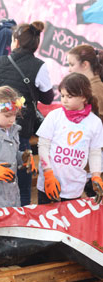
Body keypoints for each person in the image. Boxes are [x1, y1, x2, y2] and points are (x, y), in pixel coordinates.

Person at [0, 21, 54, 206]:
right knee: (23, 181)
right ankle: (24, 215)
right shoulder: (38, 66)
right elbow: (48, 98)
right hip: (21, 128)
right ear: (35, 44)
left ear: (15, 41)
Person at [36, 73, 103, 204]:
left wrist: (96, 175)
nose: (64, 100)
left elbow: (95, 152)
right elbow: (43, 145)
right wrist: (48, 173)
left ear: (84, 97)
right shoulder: (54, 116)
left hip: (74, 186)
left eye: (69, 96)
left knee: (69, 223)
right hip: (49, 184)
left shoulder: (94, 122)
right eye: (62, 96)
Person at [67, 44, 103, 197]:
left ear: (85, 64)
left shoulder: (95, 91)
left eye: (71, 64)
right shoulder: (91, 88)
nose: (69, 69)